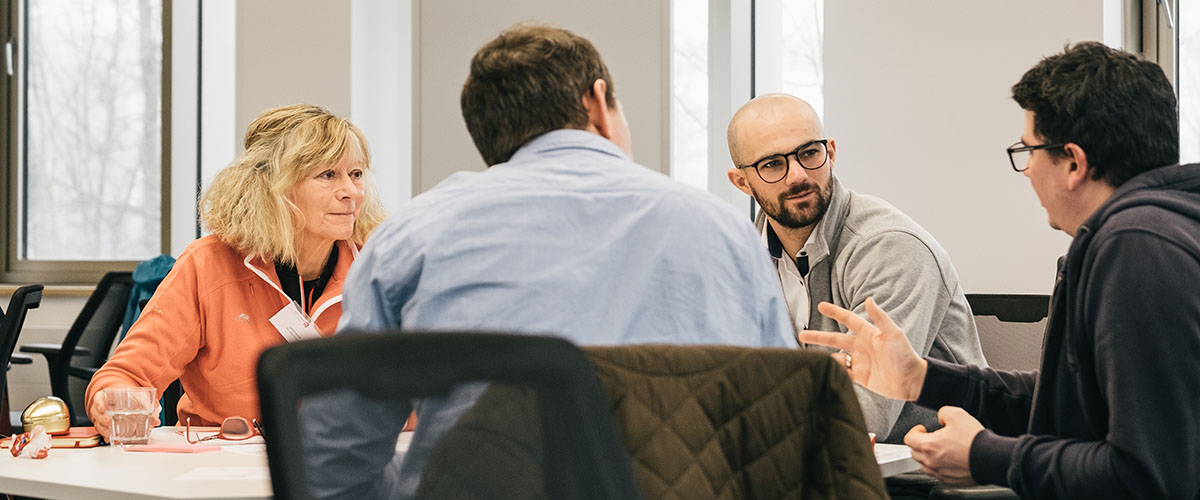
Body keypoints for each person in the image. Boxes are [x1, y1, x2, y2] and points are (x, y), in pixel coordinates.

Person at [298, 23, 795, 499]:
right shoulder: (724, 232)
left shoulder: (412, 237)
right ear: (598, 104)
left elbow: (335, 456)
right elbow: (785, 431)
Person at [799, 42, 1200, 498]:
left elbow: (1146, 476)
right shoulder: (1160, 230)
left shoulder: (1137, 248)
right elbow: (1063, 400)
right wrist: (920, 378)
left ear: (1073, 162)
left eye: (1028, 151)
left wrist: (985, 456)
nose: (1026, 170)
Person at [85, 104, 387, 439]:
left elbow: (423, 391)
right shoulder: (208, 264)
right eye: (328, 175)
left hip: (343, 464)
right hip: (223, 468)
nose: (351, 192)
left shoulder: (379, 266)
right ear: (274, 187)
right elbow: (126, 375)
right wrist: (109, 400)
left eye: (356, 174)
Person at [725, 93, 987, 443]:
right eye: (772, 164)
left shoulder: (888, 246)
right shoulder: (743, 257)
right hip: (814, 464)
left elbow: (865, 411)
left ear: (830, 152)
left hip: (931, 473)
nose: (798, 175)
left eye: (809, 153)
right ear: (741, 181)